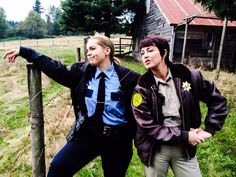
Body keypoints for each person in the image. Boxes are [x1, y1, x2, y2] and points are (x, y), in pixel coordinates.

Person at [4, 35, 140, 177]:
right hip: (88, 134)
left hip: (118, 140)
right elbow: (55, 68)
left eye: (93, 48)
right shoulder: (81, 72)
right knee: (58, 168)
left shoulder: (129, 78)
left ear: (107, 50)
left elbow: (140, 112)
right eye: (87, 50)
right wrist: (27, 52)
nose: (88, 53)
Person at [131, 35, 228, 177]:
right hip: (155, 149)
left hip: (184, 148)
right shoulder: (142, 88)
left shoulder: (190, 76)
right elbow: (147, 127)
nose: (145, 55)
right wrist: (185, 136)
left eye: (150, 50)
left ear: (164, 53)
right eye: (143, 52)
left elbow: (217, 100)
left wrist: (210, 128)